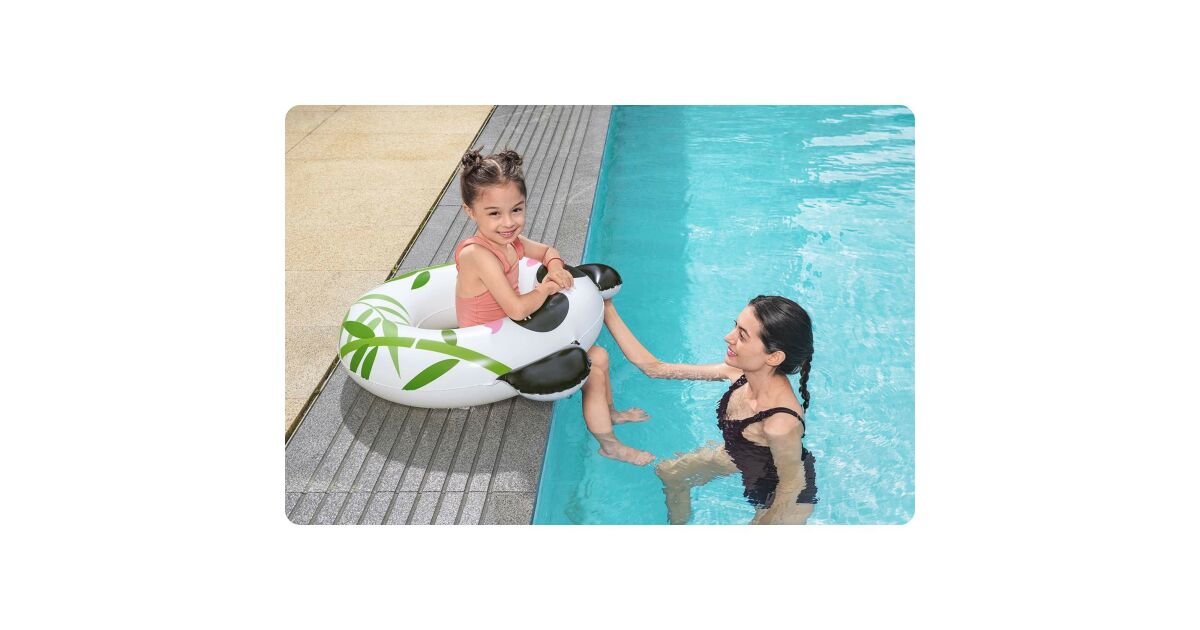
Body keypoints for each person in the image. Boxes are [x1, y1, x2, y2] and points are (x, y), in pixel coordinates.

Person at [454, 149, 653, 465]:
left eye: (516, 209)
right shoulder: (476, 255)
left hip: (510, 332)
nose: (508, 222)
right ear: (470, 211)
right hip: (487, 347)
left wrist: (556, 267)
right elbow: (517, 309)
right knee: (594, 363)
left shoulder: (510, 242)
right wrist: (546, 288)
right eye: (494, 213)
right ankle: (610, 445)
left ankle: (610, 414)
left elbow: (548, 251)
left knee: (600, 356)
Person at [602, 296, 819, 524]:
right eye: (735, 326)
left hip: (782, 495)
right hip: (745, 455)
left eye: (742, 335)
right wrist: (608, 307)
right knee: (671, 472)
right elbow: (655, 369)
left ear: (774, 356)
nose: (728, 337)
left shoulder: (780, 424)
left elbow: (791, 485)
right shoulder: (738, 373)